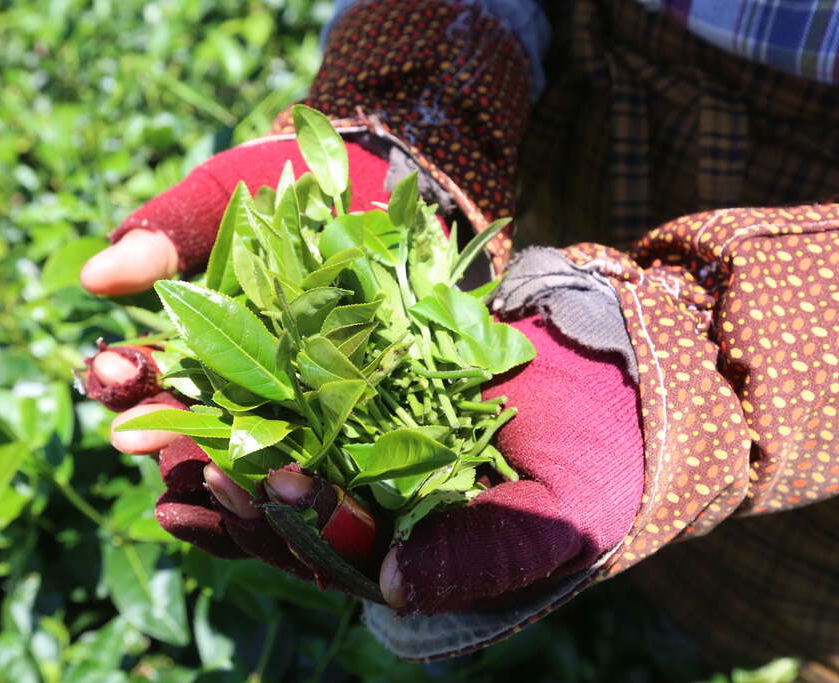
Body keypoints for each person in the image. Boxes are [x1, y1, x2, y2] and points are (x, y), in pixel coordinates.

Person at [78, 0, 839, 672]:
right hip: (582, 93)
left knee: (763, 578)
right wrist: (425, 102)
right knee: (545, 457)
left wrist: (717, 360)